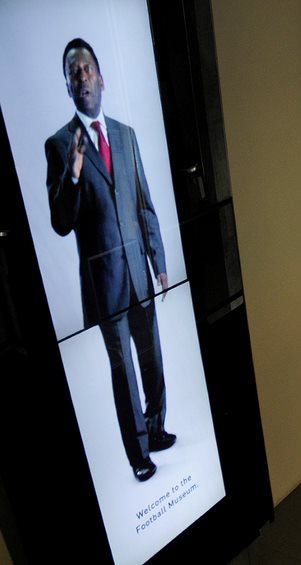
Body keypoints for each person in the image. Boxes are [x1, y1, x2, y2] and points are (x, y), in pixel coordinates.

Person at [46, 38, 175, 481]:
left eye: (86, 68)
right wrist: (76, 169)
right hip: (105, 286)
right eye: (73, 72)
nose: (81, 76)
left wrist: (158, 260)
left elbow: (143, 202)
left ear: (102, 78)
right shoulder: (59, 146)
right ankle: (139, 455)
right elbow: (61, 222)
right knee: (125, 374)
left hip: (139, 272)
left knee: (153, 358)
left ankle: (156, 428)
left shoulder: (125, 135)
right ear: (68, 87)